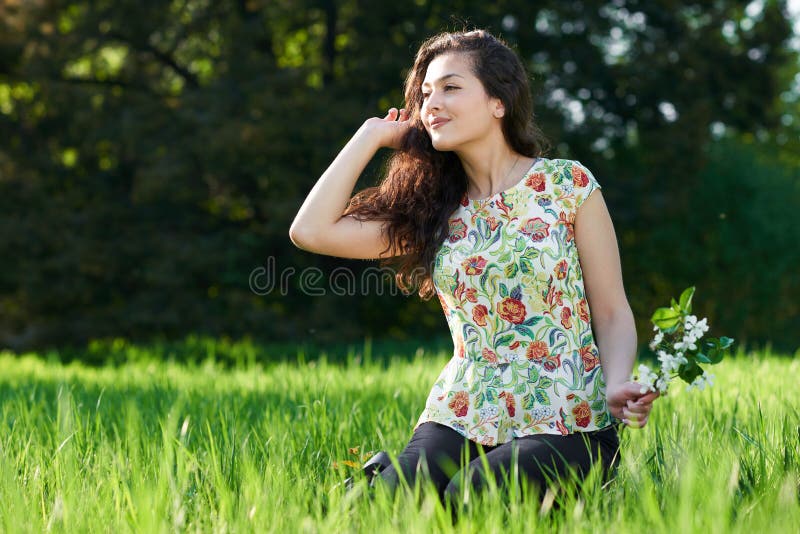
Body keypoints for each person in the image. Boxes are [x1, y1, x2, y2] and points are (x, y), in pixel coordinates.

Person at [289, 29, 659, 511]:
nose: (431, 105)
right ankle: (383, 480)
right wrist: (371, 135)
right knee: (397, 506)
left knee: (474, 496)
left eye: (450, 88)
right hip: (463, 409)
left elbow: (611, 310)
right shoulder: (430, 209)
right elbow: (310, 231)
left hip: (569, 416)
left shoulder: (566, 185)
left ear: (499, 102)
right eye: (424, 94)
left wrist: (615, 384)